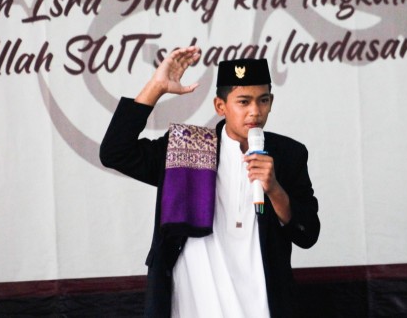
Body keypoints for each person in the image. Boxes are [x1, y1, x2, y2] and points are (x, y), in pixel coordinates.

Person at [100, 46, 320, 318]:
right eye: (243, 102)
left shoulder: (288, 155)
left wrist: (274, 189)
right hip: (193, 306)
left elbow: (307, 234)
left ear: (271, 102)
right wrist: (156, 88)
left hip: (261, 307)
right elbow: (115, 153)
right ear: (220, 106)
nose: (255, 111)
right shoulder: (187, 147)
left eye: (263, 100)